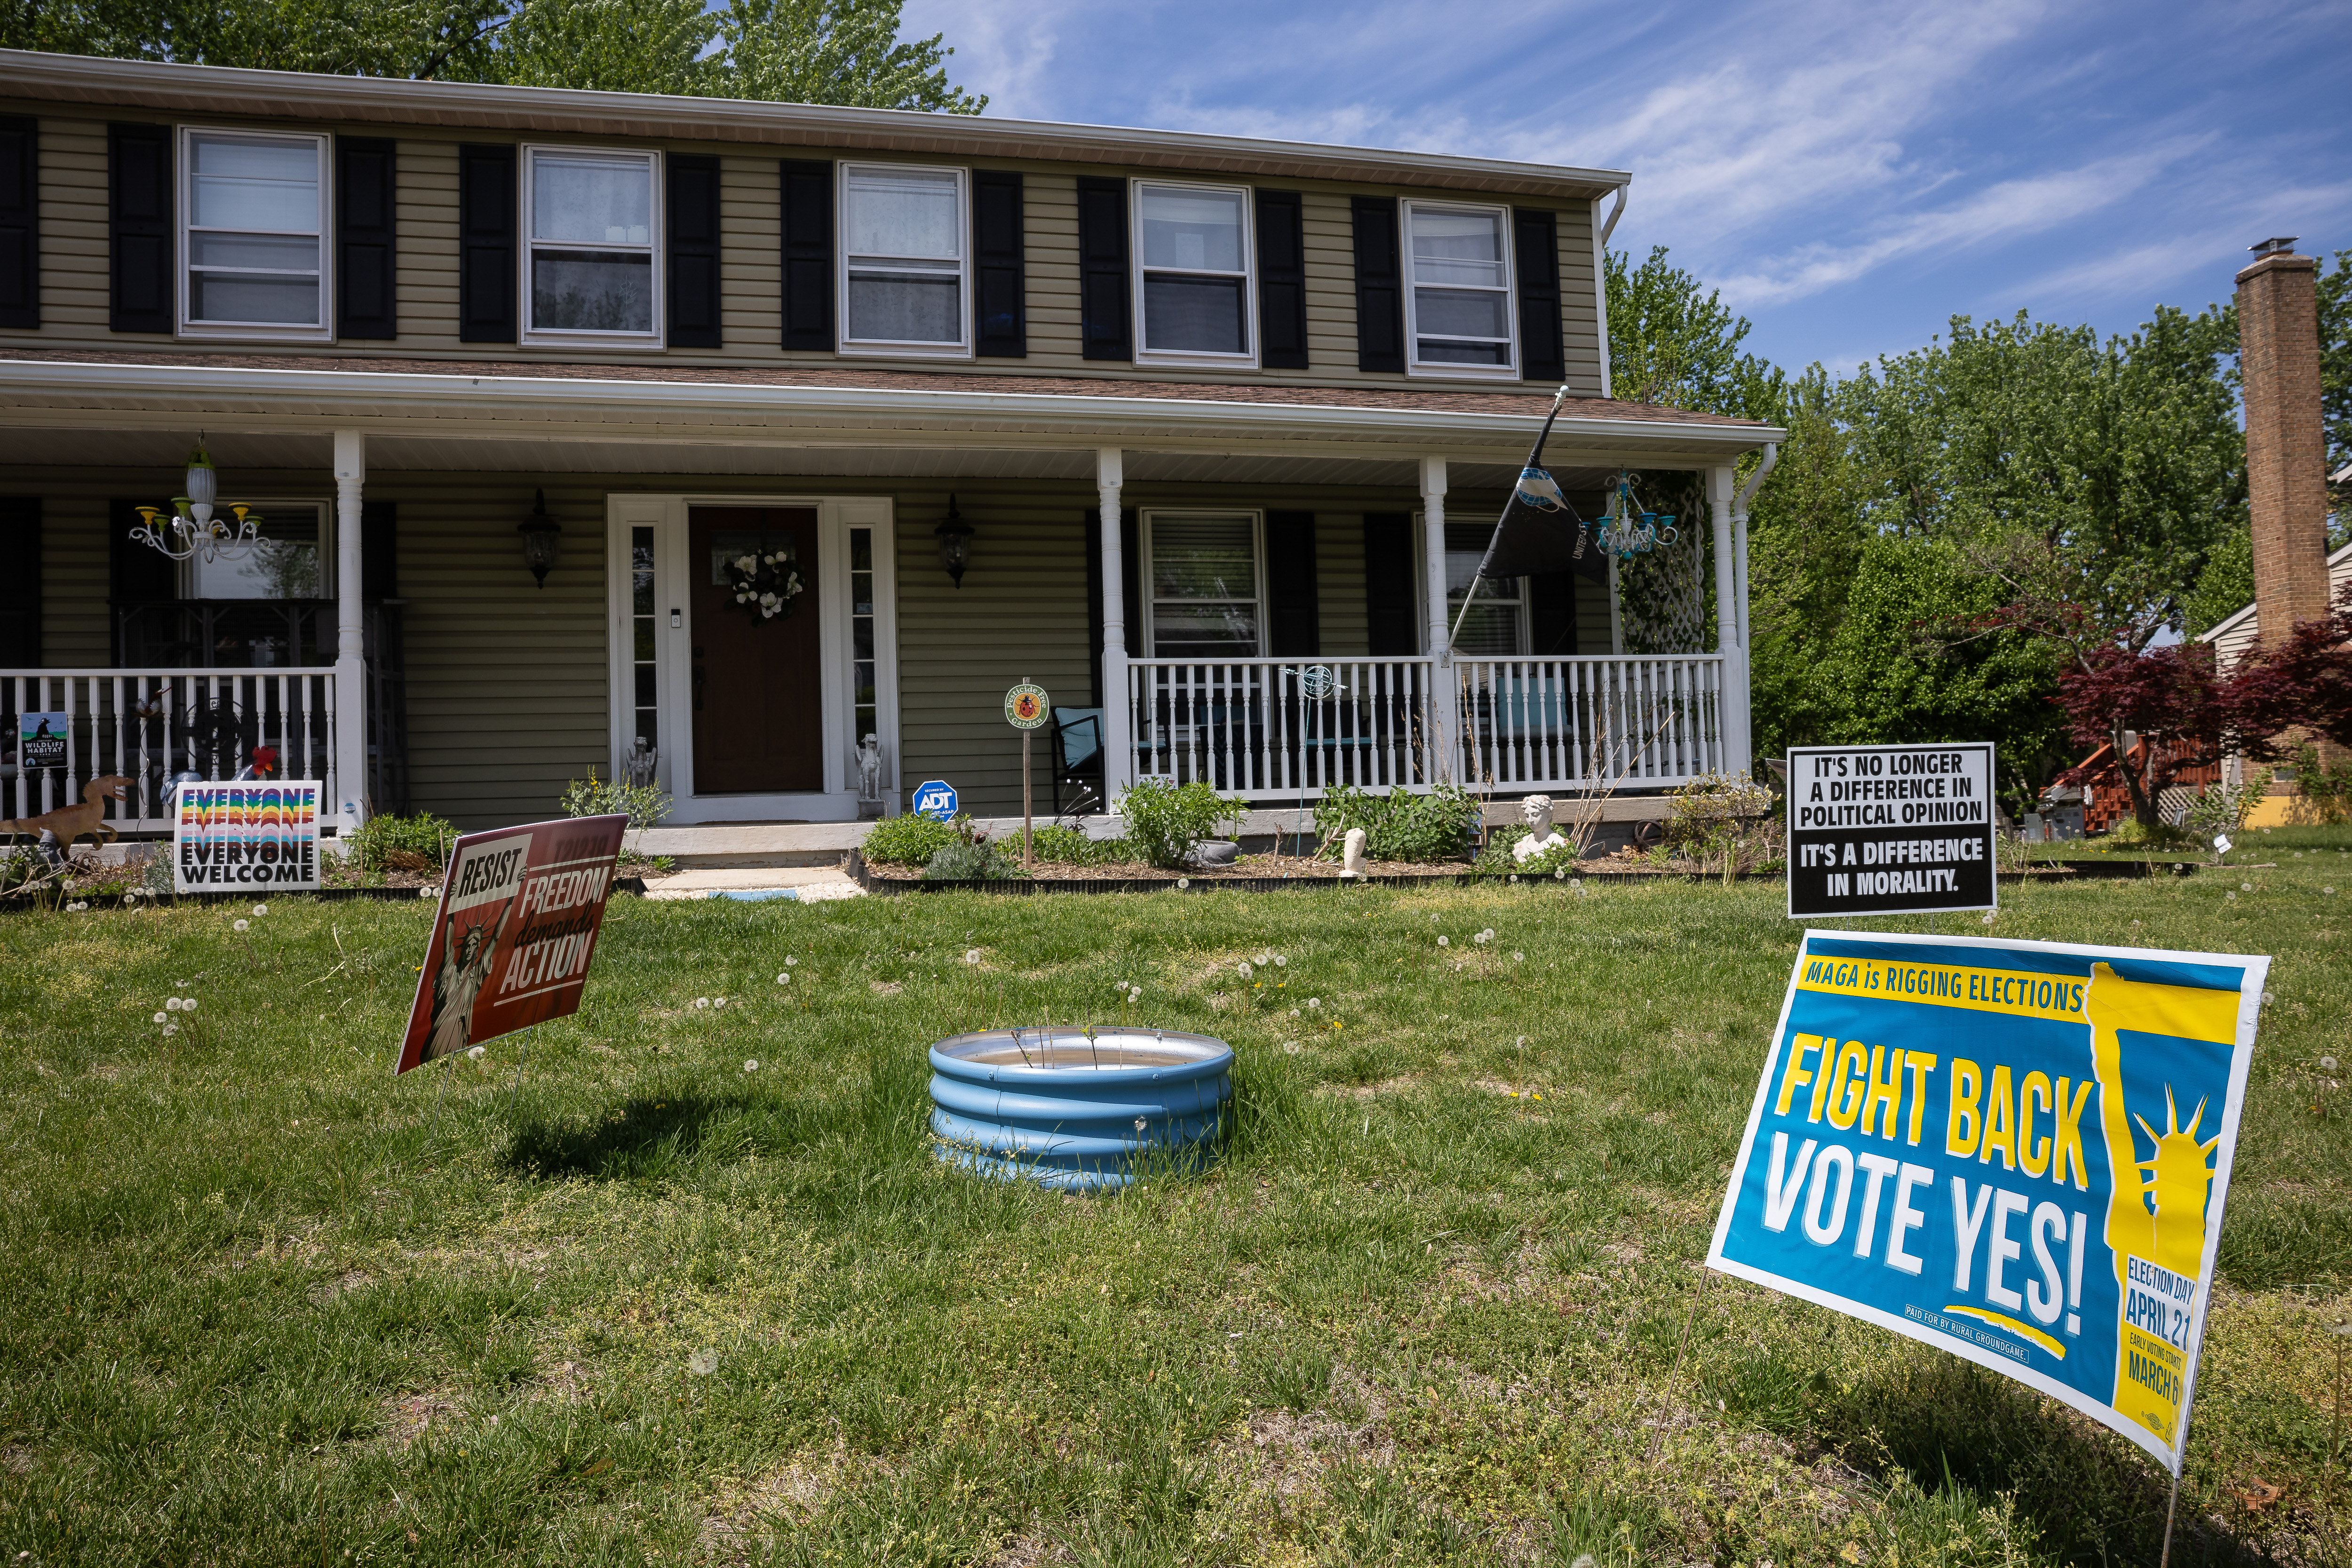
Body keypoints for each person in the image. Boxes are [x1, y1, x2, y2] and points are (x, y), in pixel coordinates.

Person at [425, 897, 513, 1062]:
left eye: (475, 946)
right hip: (439, 1032)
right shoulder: (449, 972)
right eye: (468, 944)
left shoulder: (475, 977)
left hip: (459, 1031)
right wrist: (451, 909)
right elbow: (448, 942)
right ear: (463, 946)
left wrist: (511, 899)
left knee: (457, 1060)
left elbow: (495, 938)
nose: (470, 949)